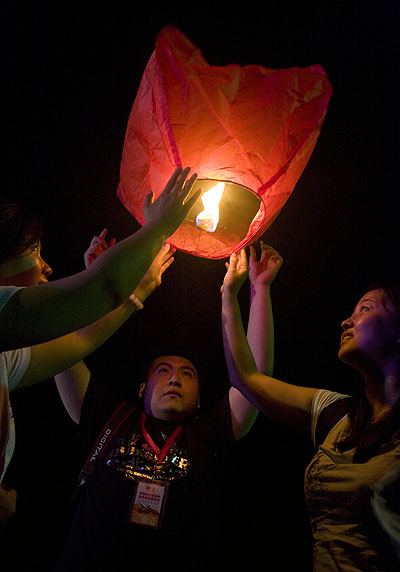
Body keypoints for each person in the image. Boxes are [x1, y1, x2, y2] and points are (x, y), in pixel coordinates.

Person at [52, 241, 282, 571]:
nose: (174, 380)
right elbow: (65, 348)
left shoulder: (209, 435)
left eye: (187, 374)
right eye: (163, 371)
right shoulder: (110, 418)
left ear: (200, 397)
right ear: (143, 388)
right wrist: (98, 280)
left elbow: (257, 377)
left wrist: (258, 290)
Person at [0, 166, 200, 527]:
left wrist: (133, 292)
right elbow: (101, 289)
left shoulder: (5, 358)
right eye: (33, 251)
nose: (45, 267)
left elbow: (77, 340)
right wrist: (157, 228)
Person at [221, 248, 400, 572]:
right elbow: (246, 378)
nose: (347, 320)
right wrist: (238, 292)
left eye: (366, 309)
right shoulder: (336, 413)